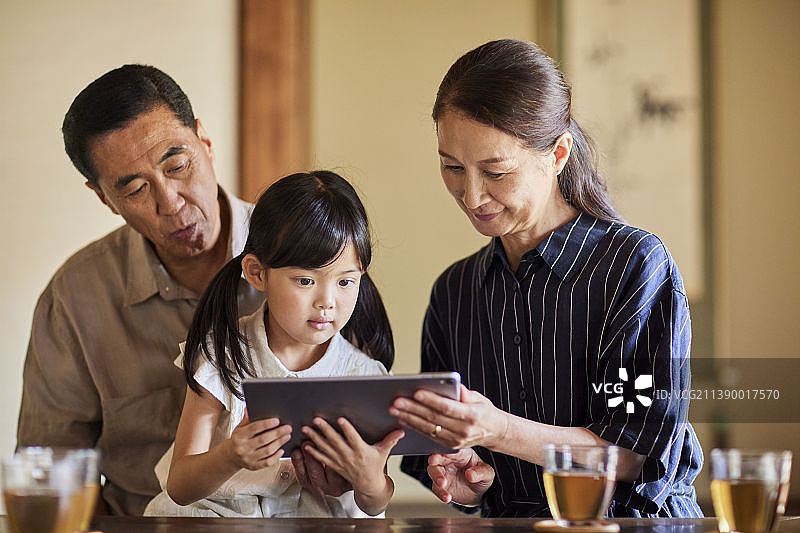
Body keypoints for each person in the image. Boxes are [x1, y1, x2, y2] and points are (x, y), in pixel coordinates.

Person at [395, 39, 703, 518]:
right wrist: (467, 477)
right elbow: (456, 466)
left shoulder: (633, 266)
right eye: (452, 167)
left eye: (495, 171)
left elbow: (635, 454)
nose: (471, 195)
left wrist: (497, 429)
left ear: (558, 154)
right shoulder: (454, 292)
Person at [16, 64, 263, 515]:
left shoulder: (306, 257)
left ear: (205, 143)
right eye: (133, 188)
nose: (170, 203)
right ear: (104, 198)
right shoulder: (76, 297)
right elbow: (51, 471)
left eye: (177, 166)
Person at [144, 171, 404, 518]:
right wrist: (230, 455)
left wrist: (370, 481)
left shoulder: (364, 374)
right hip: (220, 516)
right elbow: (179, 485)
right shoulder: (224, 353)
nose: (327, 301)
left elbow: (376, 502)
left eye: (345, 281)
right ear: (256, 273)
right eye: (305, 280)